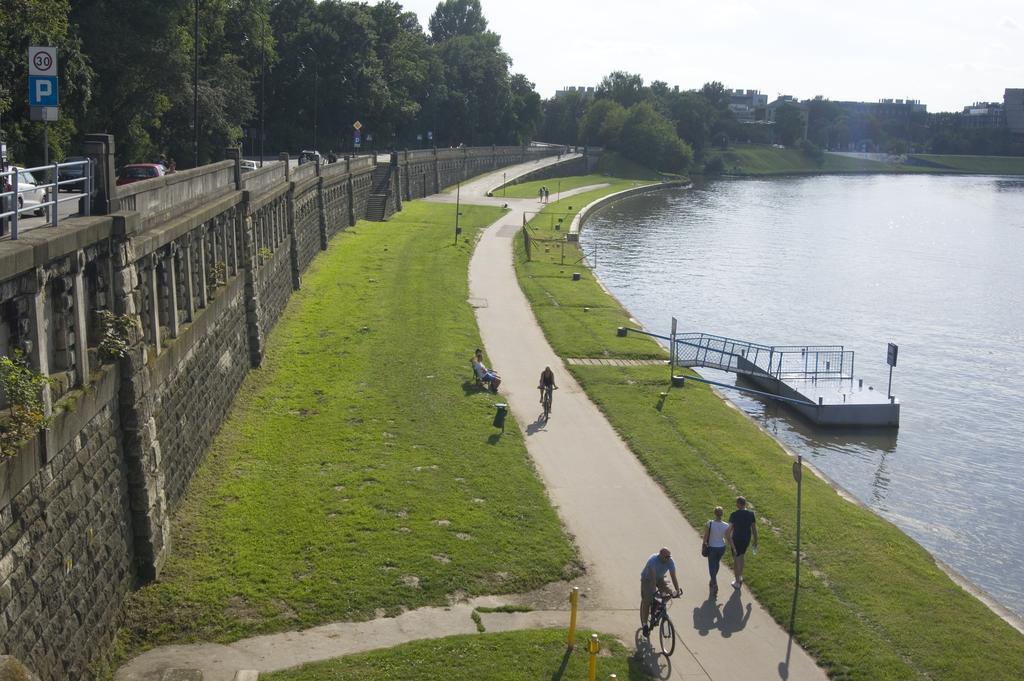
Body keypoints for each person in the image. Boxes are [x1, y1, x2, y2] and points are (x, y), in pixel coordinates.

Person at [639, 548, 681, 637]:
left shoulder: (670, 561)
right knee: (647, 600)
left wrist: (677, 590)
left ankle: (658, 607)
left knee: (670, 592)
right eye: (666, 557)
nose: (668, 558)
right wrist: (654, 592)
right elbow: (653, 579)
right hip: (648, 579)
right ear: (660, 556)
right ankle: (645, 624)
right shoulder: (653, 561)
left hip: (660, 578)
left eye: (669, 556)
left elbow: (673, 576)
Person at [724, 496, 758, 589]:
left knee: (736, 560)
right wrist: (755, 540)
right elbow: (754, 529)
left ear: (739, 504)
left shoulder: (734, 514)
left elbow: (729, 529)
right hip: (746, 539)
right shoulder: (751, 514)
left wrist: (728, 538)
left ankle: (737, 582)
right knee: (741, 556)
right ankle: (740, 575)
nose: (736, 504)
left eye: (736, 503)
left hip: (736, 539)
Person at [702, 506, 729, 593]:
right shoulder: (726, 525)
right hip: (721, 547)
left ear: (714, 513)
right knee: (716, 564)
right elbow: (726, 537)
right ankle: (712, 580)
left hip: (712, 547)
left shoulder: (710, 523)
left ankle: (714, 583)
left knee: (711, 566)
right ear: (722, 514)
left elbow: (705, 536)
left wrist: (703, 545)